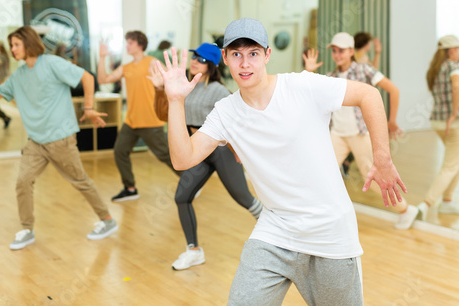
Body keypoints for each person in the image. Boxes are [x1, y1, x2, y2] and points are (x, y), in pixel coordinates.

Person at [158, 18, 406, 305]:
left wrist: (382, 158)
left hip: (330, 233)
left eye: (252, 53)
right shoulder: (225, 112)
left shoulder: (302, 86)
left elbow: (369, 94)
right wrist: (175, 101)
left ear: (266, 55)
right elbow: (182, 158)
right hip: (275, 231)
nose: (245, 64)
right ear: (224, 58)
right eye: (236, 54)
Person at [0, 26, 118, 250]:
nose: (13, 49)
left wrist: (88, 108)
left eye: (16, 44)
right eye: (11, 45)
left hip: (61, 138)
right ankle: (27, 229)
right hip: (36, 142)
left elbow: (87, 78)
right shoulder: (18, 75)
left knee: (80, 181)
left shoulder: (51, 63)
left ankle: (107, 220)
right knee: (22, 181)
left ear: (29, 43)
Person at [148, 42, 263, 270]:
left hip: (220, 150)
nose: (194, 61)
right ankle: (193, 250)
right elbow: (163, 115)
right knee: (182, 196)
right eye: (194, 57)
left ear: (211, 65)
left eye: (201, 59)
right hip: (196, 150)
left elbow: (238, 121)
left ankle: (280, 231)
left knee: (243, 198)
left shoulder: (218, 91)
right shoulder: (184, 86)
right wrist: (160, 89)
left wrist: (238, 150)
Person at [303, 32, 418, 230]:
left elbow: (393, 89)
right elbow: (309, 94)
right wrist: (310, 72)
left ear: (350, 51)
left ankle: (406, 210)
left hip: (359, 134)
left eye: (341, 51)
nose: (337, 55)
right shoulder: (331, 77)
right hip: (337, 134)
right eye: (334, 51)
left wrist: (391, 120)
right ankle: (316, 217)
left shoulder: (365, 70)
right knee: (320, 171)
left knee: (371, 175)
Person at [98, 31, 178, 202]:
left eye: (131, 43)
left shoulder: (153, 62)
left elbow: (171, 81)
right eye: (127, 43)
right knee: (120, 151)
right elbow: (103, 79)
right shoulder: (126, 67)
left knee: (164, 155)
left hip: (151, 120)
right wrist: (102, 57)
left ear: (140, 44)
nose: (127, 46)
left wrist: (163, 84)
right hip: (131, 121)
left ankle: (192, 180)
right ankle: (130, 188)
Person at [418, 35, 459, 222]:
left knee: (458, 160)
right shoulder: (454, 66)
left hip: (438, 122)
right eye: (458, 49)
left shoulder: (436, 69)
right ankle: (425, 205)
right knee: (450, 165)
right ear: (451, 50)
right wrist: (454, 112)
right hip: (453, 123)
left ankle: (446, 201)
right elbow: (456, 87)